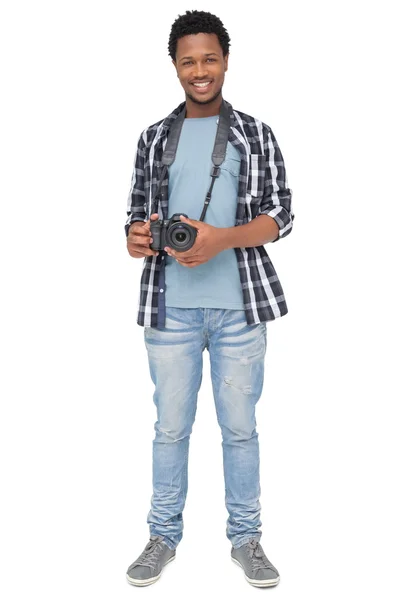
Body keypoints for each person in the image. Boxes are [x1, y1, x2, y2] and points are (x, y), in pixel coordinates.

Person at [124, 9, 294, 588]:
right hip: (169, 307)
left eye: (210, 58)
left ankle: (246, 539)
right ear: (174, 66)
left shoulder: (255, 133)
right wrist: (137, 238)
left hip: (239, 309)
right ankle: (161, 537)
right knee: (170, 429)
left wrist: (222, 238)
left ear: (226, 60)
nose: (200, 71)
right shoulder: (153, 138)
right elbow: (135, 221)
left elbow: (281, 216)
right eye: (188, 61)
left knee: (240, 429)